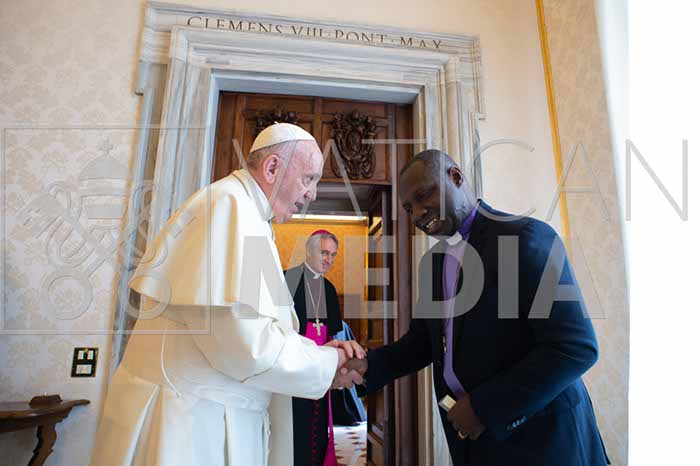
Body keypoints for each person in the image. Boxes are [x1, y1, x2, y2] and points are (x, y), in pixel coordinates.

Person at [90, 123, 364, 466]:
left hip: (212, 416)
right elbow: (244, 345)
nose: (312, 193)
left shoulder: (251, 216)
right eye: (309, 178)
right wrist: (327, 362)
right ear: (272, 168)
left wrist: (320, 358)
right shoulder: (228, 206)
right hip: (187, 426)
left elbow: (260, 332)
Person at [343, 149, 610, 465]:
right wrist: (367, 366)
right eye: (408, 208)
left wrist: (484, 408)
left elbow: (574, 348)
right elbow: (422, 343)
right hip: (475, 445)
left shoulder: (525, 237)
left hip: (544, 443)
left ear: (455, 177)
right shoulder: (433, 263)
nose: (417, 214)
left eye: (424, 195)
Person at [284, 230, 343, 466]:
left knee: (318, 426)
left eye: (333, 255)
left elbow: (332, 333)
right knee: (295, 426)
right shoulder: (288, 279)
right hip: (292, 367)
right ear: (309, 251)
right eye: (324, 253)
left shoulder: (329, 289)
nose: (329, 259)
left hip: (319, 369)